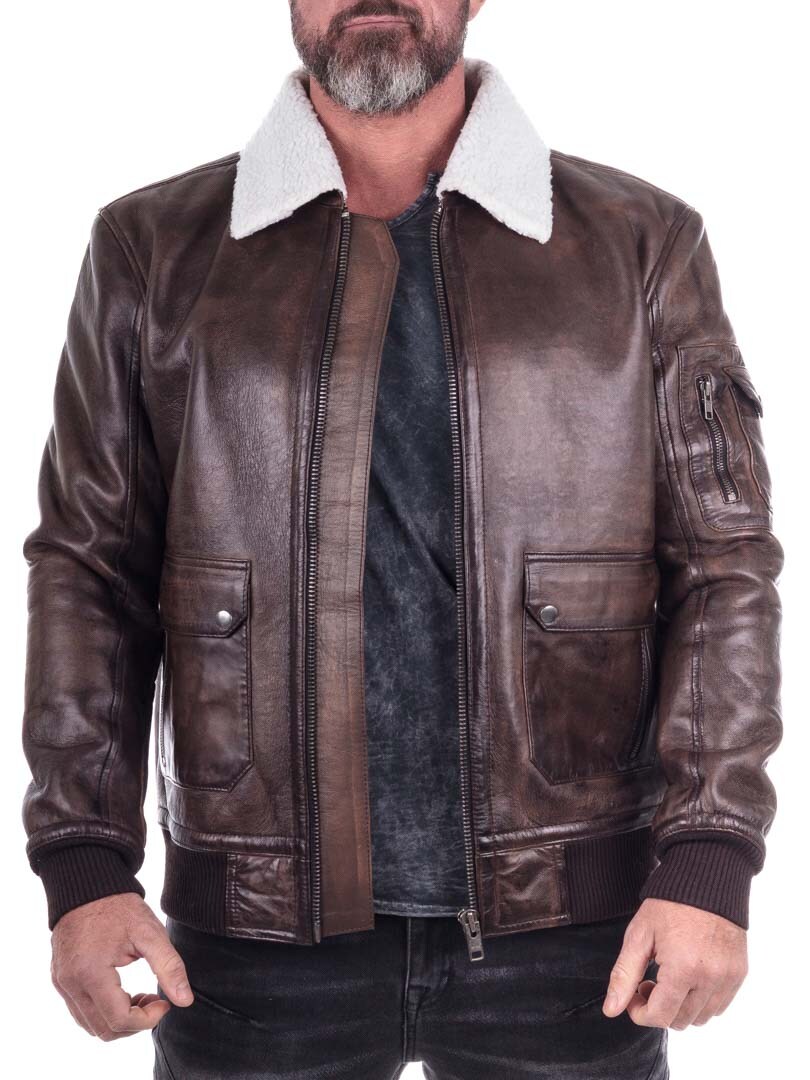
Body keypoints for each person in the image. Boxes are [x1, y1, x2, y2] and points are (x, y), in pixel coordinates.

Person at [21, 2, 783, 1077]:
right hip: (253, 937)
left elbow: (723, 566)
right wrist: (85, 866)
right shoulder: (152, 248)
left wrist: (709, 855)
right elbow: (91, 571)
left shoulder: (643, 242)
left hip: (576, 933)